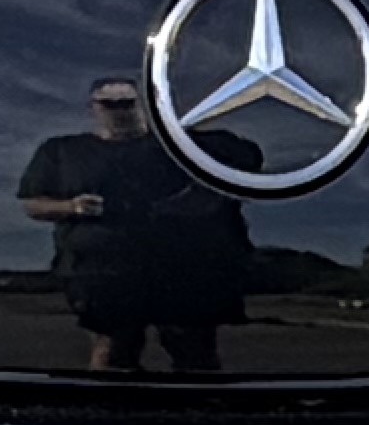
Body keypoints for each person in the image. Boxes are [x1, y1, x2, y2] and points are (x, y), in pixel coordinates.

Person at [17, 78, 249, 380]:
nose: (119, 111)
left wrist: (203, 198)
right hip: (103, 273)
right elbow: (32, 203)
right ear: (93, 108)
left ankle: (203, 408)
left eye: (127, 103)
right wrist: (72, 207)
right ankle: (108, 409)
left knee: (196, 353)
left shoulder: (184, 146)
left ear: (146, 105)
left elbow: (248, 164)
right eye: (109, 104)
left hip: (185, 270)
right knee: (112, 354)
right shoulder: (62, 151)